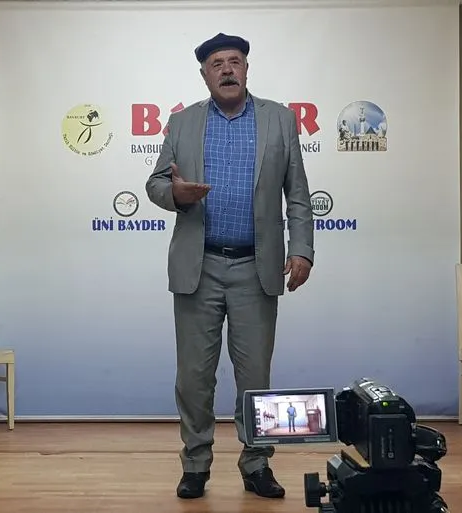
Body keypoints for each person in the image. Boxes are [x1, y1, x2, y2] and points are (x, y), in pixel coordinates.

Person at [145, 32, 315, 500]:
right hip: (198, 268)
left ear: (246, 69)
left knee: (255, 377)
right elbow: (155, 183)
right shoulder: (182, 122)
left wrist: (302, 249)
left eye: (234, 61)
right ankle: (195, 464)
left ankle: (257, 463)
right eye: (217, 63)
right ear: (204, 75)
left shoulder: (280, 119)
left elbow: (298, 194)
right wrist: (176, 194)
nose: (226, 69)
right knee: (194, 378)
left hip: (255, 270)